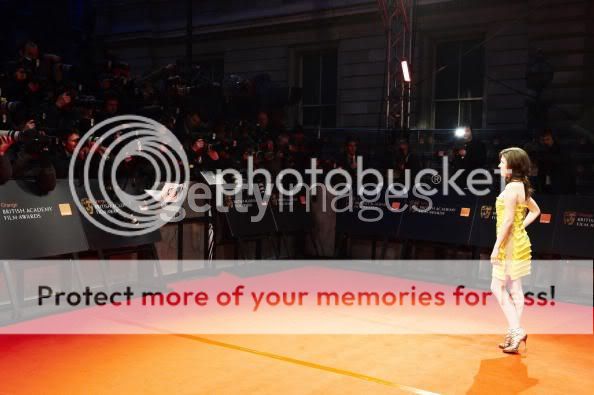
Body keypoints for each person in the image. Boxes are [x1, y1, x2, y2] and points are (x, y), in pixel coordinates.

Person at [490, 147, 541, 354]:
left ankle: (516, 330)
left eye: (502, 162)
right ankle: (514, 332)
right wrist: (521, 228)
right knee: (516, 291)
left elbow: (509, 220)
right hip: (518, 242)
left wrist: (496, 247)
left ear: (512, 166)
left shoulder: (512, 188)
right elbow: (536, 211)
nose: (499, 166)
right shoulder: (521, 186)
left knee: (497, 287)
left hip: (510, 246)